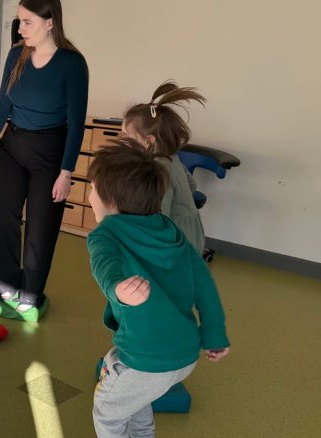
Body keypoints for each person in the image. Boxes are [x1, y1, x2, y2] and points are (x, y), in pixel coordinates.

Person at [85, 138, 230, 438]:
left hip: (146, 359)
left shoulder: (105, 234)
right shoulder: (169, 229)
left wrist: (116, 288)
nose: (88, 195)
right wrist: (214, 334)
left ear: (109, 200)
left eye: (92, 189)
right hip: (185, 356)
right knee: (137, 401)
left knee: (107, 412)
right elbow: (205, 285)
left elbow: (104, 266)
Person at [0, 0, 89, 321]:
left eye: (27, 22)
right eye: (19, 21)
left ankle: (31, 293)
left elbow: (76, 123)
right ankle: (5, 287)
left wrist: (66, 171)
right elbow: (2, 104)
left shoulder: (72, 64)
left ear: (50, 21)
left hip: (51, 152)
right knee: (2, 218)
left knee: (41, 228)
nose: (21, 28)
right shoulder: (17, 55)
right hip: (13, 146)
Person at [121, 81, 207, 253]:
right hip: (192, 232)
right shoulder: (171, 159)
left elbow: (159, 218)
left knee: (169, 279)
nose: (124, 141)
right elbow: (192, 186)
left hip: (175, 240)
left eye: (127, 137)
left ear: (149, 141)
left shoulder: (157, 171)